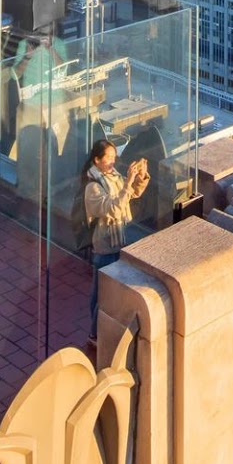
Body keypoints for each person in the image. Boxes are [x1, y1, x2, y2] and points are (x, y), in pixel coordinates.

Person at [80, 139, 150, 335]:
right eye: (108, 157)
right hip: (105, 244)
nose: (113, 161)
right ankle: (95, 333)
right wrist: (128, 182)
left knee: (99, 291)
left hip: (118, 239)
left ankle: (95, 331)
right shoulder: (92, 187)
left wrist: (140, 178)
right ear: (97, 160)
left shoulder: (112, 176)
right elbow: (112, 208)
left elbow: (131, 194)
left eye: (114, 156)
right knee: (105, 294)